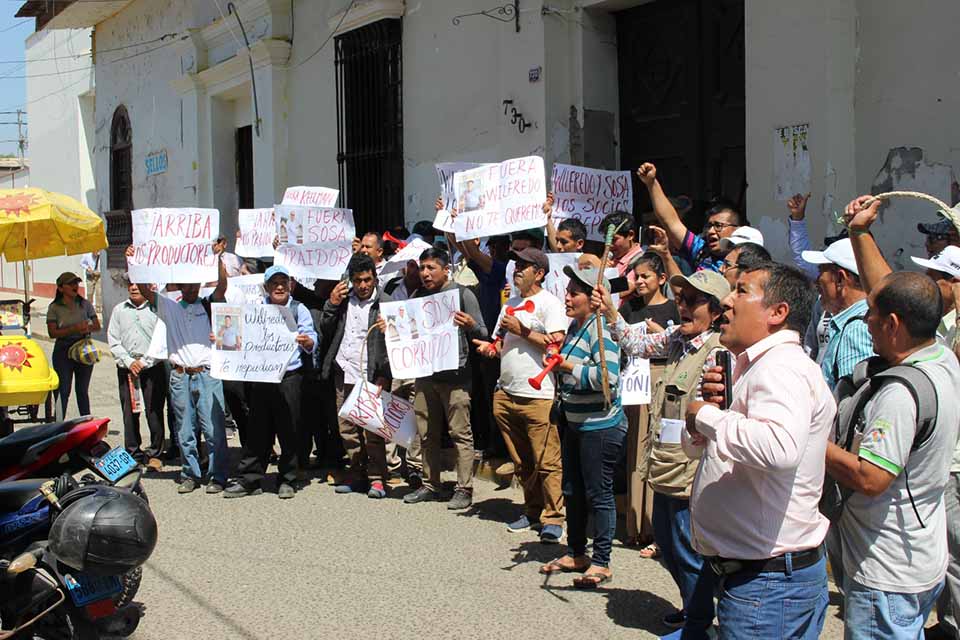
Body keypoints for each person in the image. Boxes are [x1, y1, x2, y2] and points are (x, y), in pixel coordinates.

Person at [685, 262, 833, 639]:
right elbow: (711, 450)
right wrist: (705, 415)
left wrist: (705, 417)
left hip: (767, 585)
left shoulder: (780, 368)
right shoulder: (753, 366)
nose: (727, 301)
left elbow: (778, 448)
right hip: (763, 580)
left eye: (741, 290)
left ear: (777, 312)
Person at [843, 195, 960, 638]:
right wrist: (858, 232)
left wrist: (811, 439)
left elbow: (872, 479)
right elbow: (892, 295)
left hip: (888, 569)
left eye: (871, 317)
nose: (865, 321)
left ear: (892, 325)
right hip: (919, 556)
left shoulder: (900, 392)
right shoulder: (940, 353)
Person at [600, 269, 729, 636]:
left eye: (694, 301)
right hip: (665, 464)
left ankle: (699, 624)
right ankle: (693, 609)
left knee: (688, 551)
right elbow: (635, 344)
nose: (684, 307)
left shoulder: (716, 353)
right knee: (669, 546)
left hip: (692, 471)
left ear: (717, 311)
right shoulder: (676, 339)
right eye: (682, 299)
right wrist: (611, 312)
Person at [472, 247, 567, 543]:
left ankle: (554, 518)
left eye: (524, 267)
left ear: (538, 273)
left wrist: (523, 330)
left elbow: (556, 347)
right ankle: (532, 509)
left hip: (537, 396)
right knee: (523, 460)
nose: (517, 271)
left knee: (547, 460)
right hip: (507, 393)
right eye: (516, 266)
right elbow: (502, 343)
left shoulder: (550, 304)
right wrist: (490, 348)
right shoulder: (510, 303)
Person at [538, 267, 623, 588]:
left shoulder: (600, 331)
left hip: (600, 428)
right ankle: (576, 552)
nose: (567, 297)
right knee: (571, 491)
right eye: (568, 290)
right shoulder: (575, 328)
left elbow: (607, 379)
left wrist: (567, 365)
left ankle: (602, 561)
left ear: (594, 299)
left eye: (575, 292)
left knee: (598, 494)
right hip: (574, 424)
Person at [126, 243, 230, 495]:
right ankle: (190, 474)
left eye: (196, 283)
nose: (192, 287)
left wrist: (216, 258)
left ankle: (217, 475)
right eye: (187, 283)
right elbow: (143, 290)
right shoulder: (169, 307)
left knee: (214, 429)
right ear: (180, 286)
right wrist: (133, 261)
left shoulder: (209, 305)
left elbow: (222, 285)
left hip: (207, 375)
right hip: (180, 376)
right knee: (184, 431)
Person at [403, 247, 487, 510]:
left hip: (456, 377)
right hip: (426, 375)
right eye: (423, 268)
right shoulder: (418, 296)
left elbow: (483, 332)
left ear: (445, 269)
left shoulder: (463, 295)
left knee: (460, 432)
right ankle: (431, 484)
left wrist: (470, 324)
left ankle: (464, 488)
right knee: (427, 433)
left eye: (431, 268)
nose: (425, 274)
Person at [225, 266, 317, 499]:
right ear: (266, 287)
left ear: (290, 285)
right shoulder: (255, 311)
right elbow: (238, 336)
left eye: (283, 283)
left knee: (290, 430)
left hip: (289, 379)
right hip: (261, 378)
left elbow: (312, 338)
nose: (279, 287)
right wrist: (220, 336)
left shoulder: (298, 310)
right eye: (274, 283)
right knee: (257, 430)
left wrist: (307, 342)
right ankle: (250, 480)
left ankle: (287, 479)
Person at [320, 254, 392, 497]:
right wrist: (331, 303)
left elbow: (396, 344)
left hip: (370, 374)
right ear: (350, 280)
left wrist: (384, 375)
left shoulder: (386, 304)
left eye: (367, 279)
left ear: (375, 278)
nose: (363, 285)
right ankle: (357, 473)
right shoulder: (342, 301)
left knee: (372, 430)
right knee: (347, 429)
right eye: (358, 280)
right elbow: (326, 329)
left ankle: (377, 478)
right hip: (344, 371)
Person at [637, 162, 741, 273]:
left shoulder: (746, 260)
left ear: (738, 229)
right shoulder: (700, 251)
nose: (711, 231)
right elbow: (671, 222)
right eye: (709, 226)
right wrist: (651, 183)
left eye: (718, 226)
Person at [107, 280, 166, 470]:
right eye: (130, 284)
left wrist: (145, 362)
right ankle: (133, 452)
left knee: (154, 411)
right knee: (129, 412)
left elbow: (161, 340)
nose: (133, 288)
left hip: (151, 367)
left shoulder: (157, 309)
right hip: (127, 368)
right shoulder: (119, 310)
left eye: (138, 284)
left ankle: (155, 453)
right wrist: (129, 361)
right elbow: (114, 340)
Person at [802, 238, 875, 390]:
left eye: (821, 271)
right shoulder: (848, 322)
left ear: (840, 278)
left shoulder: (857, 329)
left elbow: (855, 396)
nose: (816, 281)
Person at [47, 272, 100, 418]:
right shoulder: (54, 308)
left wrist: (87, 328)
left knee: (82, 390)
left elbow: (97, 325)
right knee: (63, 390)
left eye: (76, 283)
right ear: (61, 288)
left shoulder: (85, 304)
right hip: (63, 350)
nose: (75, 286)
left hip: (83, 348)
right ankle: (57, 424)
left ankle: (87, 423)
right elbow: (52, 332)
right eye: (70, 284)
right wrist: (73, 328)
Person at [599, 211, 643, 300]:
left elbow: (626, 288)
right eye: (606, 239)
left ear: (630, 235)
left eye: (614, 239)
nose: (609, 245)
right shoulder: (611, 258)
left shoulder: (642, 260)